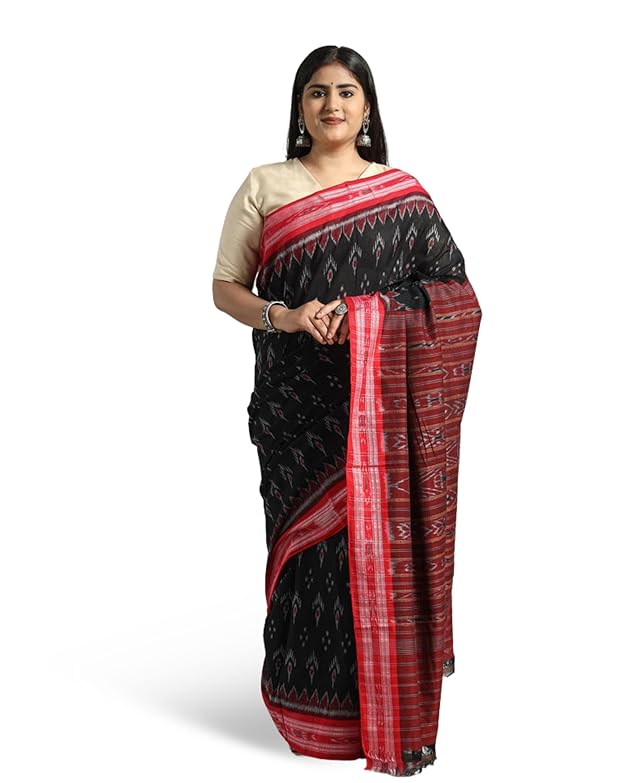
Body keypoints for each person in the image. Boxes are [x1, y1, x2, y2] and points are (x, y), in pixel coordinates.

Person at [212, 45, 482, 777]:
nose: (331, 104)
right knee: (309, 556)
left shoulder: (402, 194)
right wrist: (287, 316)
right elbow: (225, 287)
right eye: (317, 92)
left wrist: (368, 316)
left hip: (382, 415)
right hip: (296, 411)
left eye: (346, 92)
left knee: (375, 543)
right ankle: (308, 713)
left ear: (367, 107)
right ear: (299, 106)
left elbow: (456, 297)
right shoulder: (264, 185)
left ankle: (377, 710)